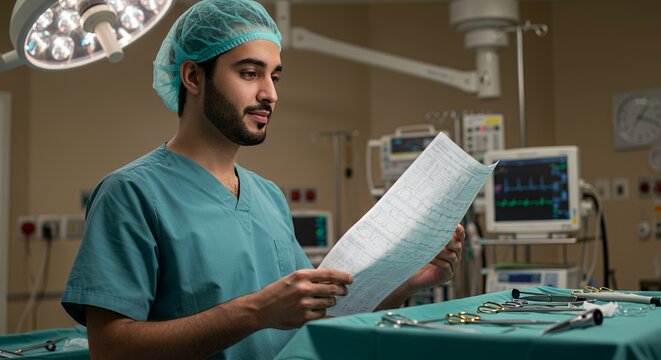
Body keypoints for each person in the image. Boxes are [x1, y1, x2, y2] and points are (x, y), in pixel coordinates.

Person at [61, 0, 465, 359]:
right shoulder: (131, 194)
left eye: (275, 76)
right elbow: (110, 348)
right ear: (193, 78)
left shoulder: (268, 197)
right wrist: (256, 312)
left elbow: (320, 317)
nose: (270, 93)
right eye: (250, 73)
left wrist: (407, 281)